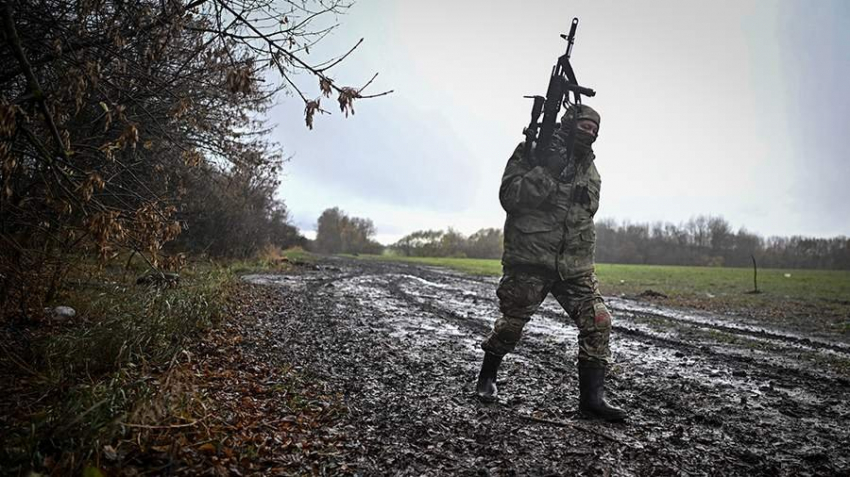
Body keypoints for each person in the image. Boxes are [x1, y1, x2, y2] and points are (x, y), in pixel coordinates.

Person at [475, 104, 626, 422]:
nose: (590, 133)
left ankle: (592, 400)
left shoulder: (591, 169)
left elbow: (584, 214)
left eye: (594, 130)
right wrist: (547, 171)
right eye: (584, 127)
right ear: (568, 124)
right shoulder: (533, 152)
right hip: (531, 258)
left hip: (575, 265)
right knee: (511, 327)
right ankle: (486, 377)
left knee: (599, 320)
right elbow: (510, 197)